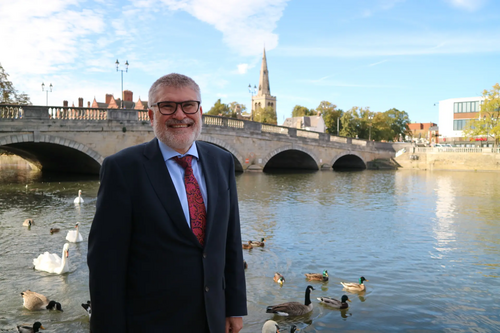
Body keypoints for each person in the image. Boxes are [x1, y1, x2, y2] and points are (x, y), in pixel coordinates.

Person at [88, 73, 247, 332]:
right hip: (151, 322)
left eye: (188, 105)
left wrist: (234, 307)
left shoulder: (222, 161)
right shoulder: (123, 168)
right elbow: (105, 265)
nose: (180, 114)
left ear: (200, 111)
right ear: (151, 115)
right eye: (167, 106)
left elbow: (231, 239)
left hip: (213, 317)